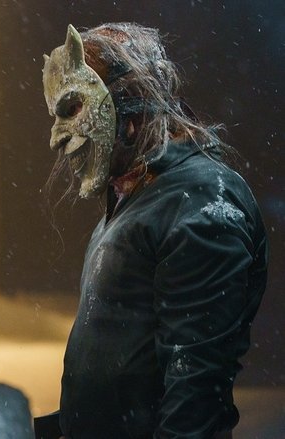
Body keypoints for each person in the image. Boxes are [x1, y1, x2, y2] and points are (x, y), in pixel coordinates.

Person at [41, 23, 268, 438]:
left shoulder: (197, 204)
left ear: (131, 113)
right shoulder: (141, 198)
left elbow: (196, 394)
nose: (57, 137)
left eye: (73, 108)